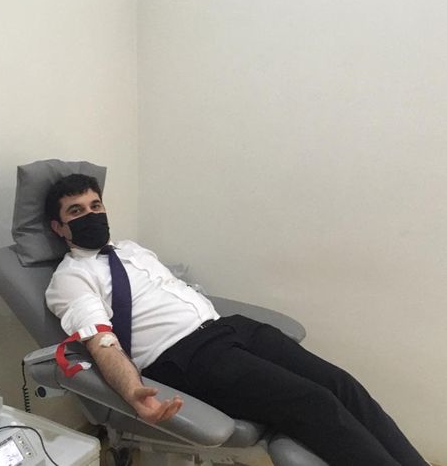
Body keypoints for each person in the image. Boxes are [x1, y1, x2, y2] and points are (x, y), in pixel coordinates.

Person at [44, 174, 428, 466]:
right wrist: (133, 392)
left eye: (96, 206)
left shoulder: (131, 250)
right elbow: (102, 341)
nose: (91, 215)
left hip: (228, 328)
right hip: (186, 356)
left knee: (342, 385)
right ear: (58, 228)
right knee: (314, 403)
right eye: (76, 211)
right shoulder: (71, 278)